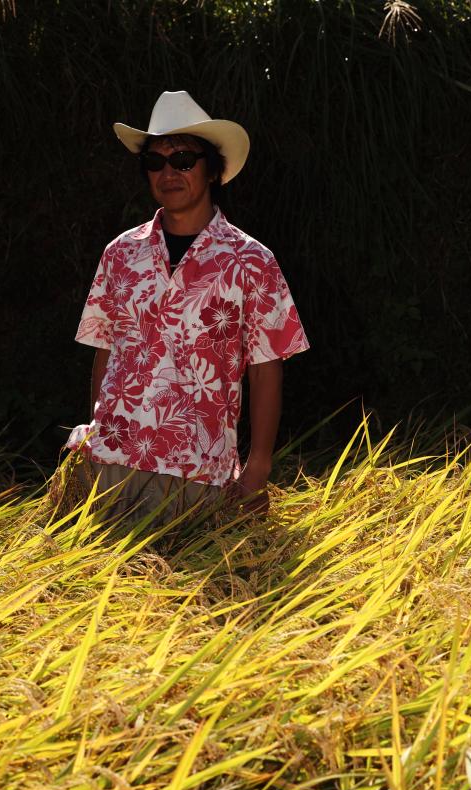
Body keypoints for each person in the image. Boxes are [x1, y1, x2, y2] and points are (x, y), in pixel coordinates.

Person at [65, 90, 309, 524]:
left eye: (182, 160)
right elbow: (106, 352)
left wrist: (257, 470)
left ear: (212, 170)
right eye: (155, 162)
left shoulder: (252, 261)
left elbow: (266, 368)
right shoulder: (120, 253)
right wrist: (97, 437)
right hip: (107, 467)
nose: (168, 172)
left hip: (195, 475)